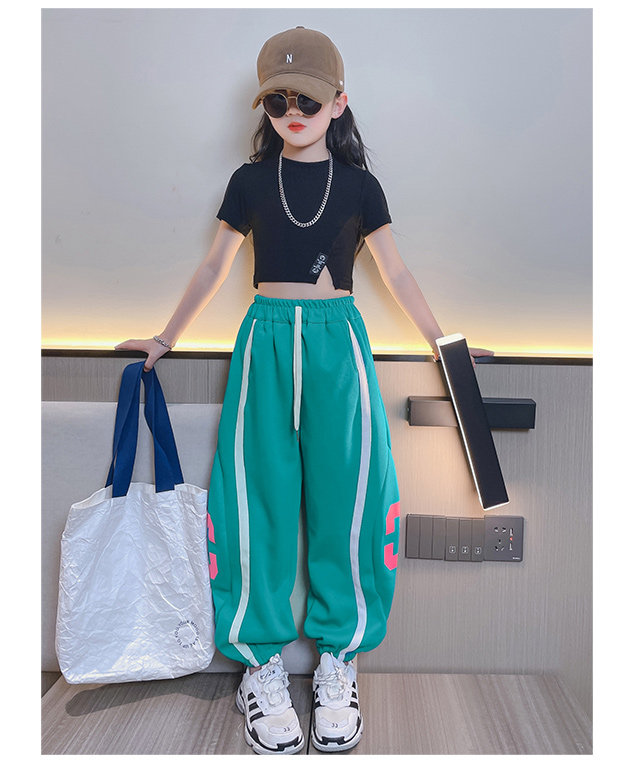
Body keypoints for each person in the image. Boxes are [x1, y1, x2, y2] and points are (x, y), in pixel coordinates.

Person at [116, 25, 493, 755]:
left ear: (339, 103)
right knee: (253, 496)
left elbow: (395, 271)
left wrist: (443, 343)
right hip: (264, 340)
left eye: (309, 101)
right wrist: (166, 337)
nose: (293, 112)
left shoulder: (360, 187)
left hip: (338, 343)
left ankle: (338, 660)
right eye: (279, 100)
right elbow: (214, 267)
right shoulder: (249, 182)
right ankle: (258, 664)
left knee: (349, 496)